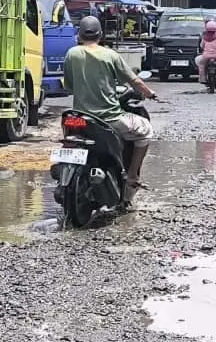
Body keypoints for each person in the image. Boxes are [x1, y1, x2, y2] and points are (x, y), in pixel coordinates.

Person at [62, 16, 157, 203]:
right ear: (101, 35)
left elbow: (69, 86)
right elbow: (134, 80)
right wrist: (149, 93)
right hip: (109, 118)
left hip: (79, 117)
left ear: (79, 35)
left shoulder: (71, 54)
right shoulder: (110, 55)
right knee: (146, 130)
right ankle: (132, 177)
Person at [196, 20, 216, 84]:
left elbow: (201, 45)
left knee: (201, 65)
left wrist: (204, 49)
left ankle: (203, 80)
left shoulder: (204, 36)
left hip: (206, 55)